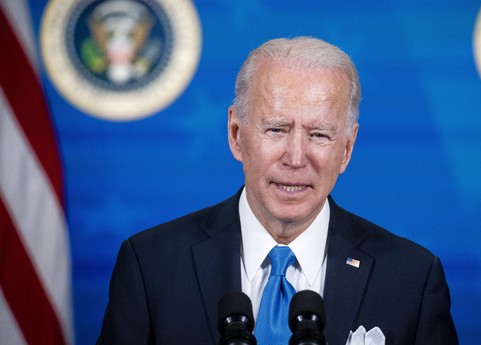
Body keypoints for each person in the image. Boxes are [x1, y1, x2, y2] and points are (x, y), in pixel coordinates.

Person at [97, 36, 458, 344]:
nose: (296, 158)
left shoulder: (411, 278)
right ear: (236, 136)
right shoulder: (151, 266)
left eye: (319, 134)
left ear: (346, 149)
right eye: (276, 130)